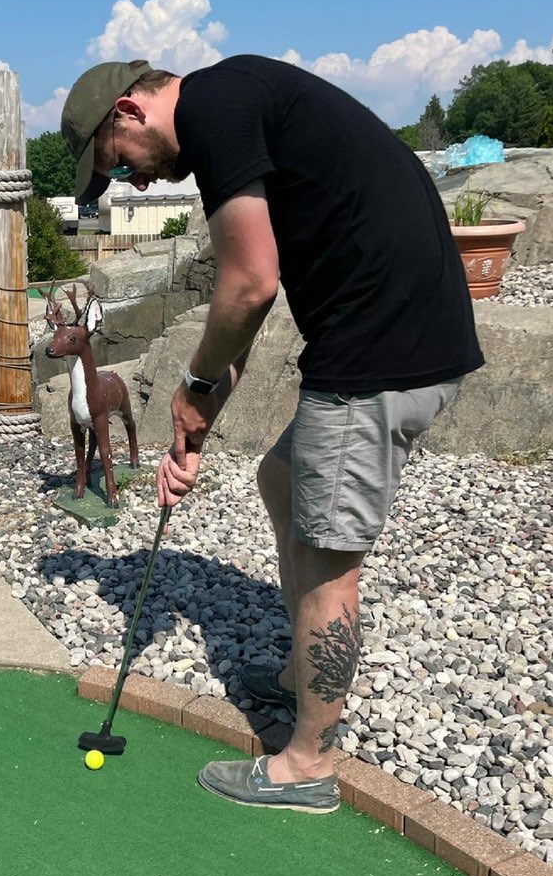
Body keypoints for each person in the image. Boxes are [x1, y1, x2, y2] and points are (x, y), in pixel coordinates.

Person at [60, 56, 482, 814]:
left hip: (381, 346)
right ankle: (299, 677)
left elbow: (248, 284)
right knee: (282, 479)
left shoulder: (215, 113)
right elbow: (248, 308)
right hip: (392, 332)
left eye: (118, 165)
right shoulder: (239, 100)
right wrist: (196, 428)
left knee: (327, 555)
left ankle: (308, 761)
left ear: (128, 110)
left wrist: (189, 389)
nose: (135, 183)